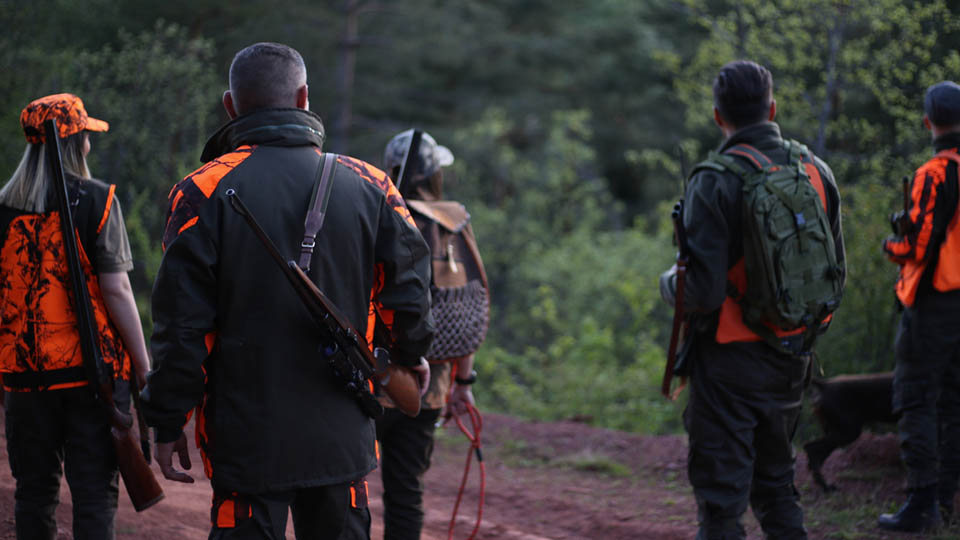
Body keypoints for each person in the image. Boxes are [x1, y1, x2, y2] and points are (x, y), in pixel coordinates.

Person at [140, 42, 434, 540]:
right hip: (342, 430)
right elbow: (410, 298)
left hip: (245, 437)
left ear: (230, 107)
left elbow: (182, 328)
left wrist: (168, 419)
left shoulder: (199, 192)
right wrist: (407, 357)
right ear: (304, 98)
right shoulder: (372, 184)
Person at [658, 60, 845, 539]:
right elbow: (835, 275)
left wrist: (667, 283)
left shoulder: (714, 180)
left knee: (722, 506)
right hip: (793, 359)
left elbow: (701, 292)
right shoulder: (815, 170)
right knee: (777, 487)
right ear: (773, 108)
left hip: (730, 364)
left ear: (718, 116)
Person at [0, 93, 151, 539]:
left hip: (25, 378)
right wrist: (143, 366)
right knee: (93, 493)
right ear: (76, 142)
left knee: (33, 491)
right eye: (86, 136)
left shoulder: (3, 211)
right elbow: (117, 289)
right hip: (92, 374)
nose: (89, 144)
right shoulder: (98, 200)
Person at [376, 130, 489, 540]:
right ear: (435, 173)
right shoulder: (454, 221)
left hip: (370, 378)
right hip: (430, 388)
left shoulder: (374, 211)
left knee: (344, 487)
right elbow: (467, 307)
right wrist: (462, 382)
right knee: (407, 494)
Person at [878, 80, 960, 532]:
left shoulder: (934, 172)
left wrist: (893, 243)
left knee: (916, 400)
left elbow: (920, 245)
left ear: (928, 122)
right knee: (954, 402)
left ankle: (921, 505)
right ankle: (945, 499)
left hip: (934, 306)